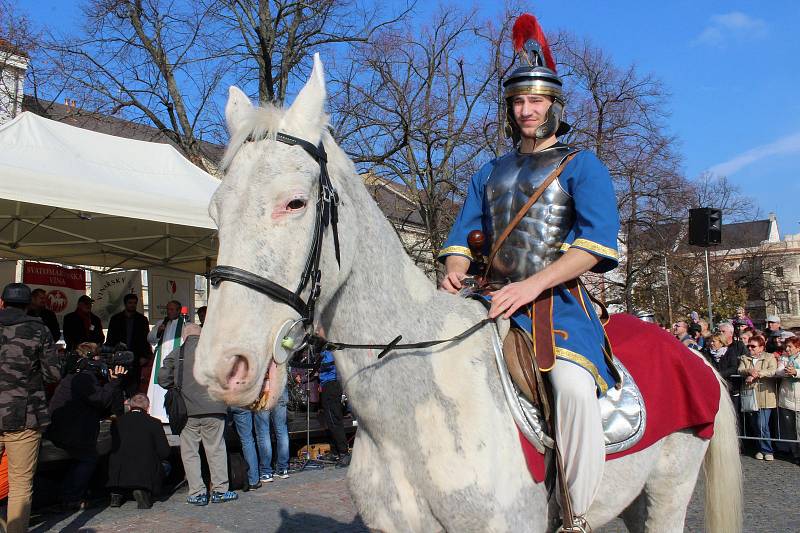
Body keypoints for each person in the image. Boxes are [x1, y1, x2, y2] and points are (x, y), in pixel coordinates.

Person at [437, 13, 619, 526]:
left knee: (574, 389)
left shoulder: (582, 165)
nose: (526, 110)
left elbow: (597, 244)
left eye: (536, 100)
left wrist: (532, 285)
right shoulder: (487, 171)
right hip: (488, 297)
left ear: (554, 106)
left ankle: (576, 514)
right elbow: (461, 237)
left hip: (553, 305)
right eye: (518, 101)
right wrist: (454, 268)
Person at [0, 283, 61, 533]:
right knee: (20, 485)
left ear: (2, 302)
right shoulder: (39, 330)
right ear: (27, 305)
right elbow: (52, 374)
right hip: (23, 414)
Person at [158, 323, 237, 505]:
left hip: (187, 411)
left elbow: (162, 379)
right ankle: (220, 490)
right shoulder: (217, 353)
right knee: (216, 449)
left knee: (189, 452)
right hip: (215, 408)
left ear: (185, 336)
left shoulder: (177, 353)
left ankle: (197, 493)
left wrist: (178, 385)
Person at [47, 349, 126, 508]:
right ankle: (71, 497)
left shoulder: (75, 376)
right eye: (98, 358)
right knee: (88, 458)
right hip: (68, 431)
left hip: (63, 429)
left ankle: (68, 494)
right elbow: (101, 400)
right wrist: (114, 382)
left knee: (84, 456)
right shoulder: (84, 378)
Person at [107, 393, 170, 509]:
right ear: (147, 407)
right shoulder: (154, 423)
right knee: (166, 466)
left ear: (130, 406)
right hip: (143, 474)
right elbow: (164, 451)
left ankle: (117, 493)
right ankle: (143, 491)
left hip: (118, 473)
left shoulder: (117, 422)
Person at [739, 334, 777, 461]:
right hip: (750, 395)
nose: (750, 348)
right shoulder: (745, 357)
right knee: (755, 424)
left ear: (761, 347)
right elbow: (740, 370)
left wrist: (757, 374)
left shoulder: (769, 357)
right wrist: (749, 371)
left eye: (753, 346)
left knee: (762, 424)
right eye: (749, 346)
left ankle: (767, 449)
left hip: (765, 396)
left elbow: (772, 370)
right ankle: (760, 448)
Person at [106, 294, 152, 396]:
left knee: (134, 388)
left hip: (136, 358)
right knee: (117, 386)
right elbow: (110, 338)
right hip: (119, 357)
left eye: (134, 303)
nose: (132, 305)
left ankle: (133, 409)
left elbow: (146, 339)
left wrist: (145, 356)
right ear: (125, 304)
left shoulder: (142, 320)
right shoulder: (116, 319)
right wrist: (111, 355)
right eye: (130, 303)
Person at [147, 300, 185, 422]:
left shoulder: (185, 324)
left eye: (172, 309)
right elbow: (150, 338)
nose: (169, 312)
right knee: (158, 385)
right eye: (168, 309)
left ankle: (172, 414)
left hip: (176, 359)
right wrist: (159, 331)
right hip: (161, 357)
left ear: (179, 311)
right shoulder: (161, 323)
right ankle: (157, 414)